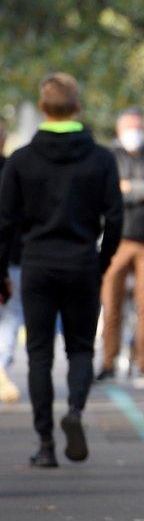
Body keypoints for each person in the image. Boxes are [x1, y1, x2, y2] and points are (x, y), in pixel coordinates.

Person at [0, 73, 123, 467]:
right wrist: (102, 261)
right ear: (78, 107)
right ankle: (75, 409)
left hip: (36, 263)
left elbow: (5, 223)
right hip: (82, 262)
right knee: (81, 348)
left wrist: (2, 270)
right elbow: (115, 217)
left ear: (42, 108)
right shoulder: (101, 158)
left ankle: (45, 444)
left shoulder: (21, 160)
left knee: (38, 354)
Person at [100, 107, 144, 388]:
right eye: (129, 126)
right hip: (116, 241)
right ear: (119, 130)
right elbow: (108, 191)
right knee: (110, 305)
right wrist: (143, 188)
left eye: (138, 126)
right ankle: (107, 363)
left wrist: (128, 188)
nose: (134, 132)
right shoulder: (110, 157)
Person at [0, 121, 23, 404]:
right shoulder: (15, 169)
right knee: (10, 314)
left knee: (11, 313)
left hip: (13, 255)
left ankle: (1, 370)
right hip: (13, 254)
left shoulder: (14, 168)